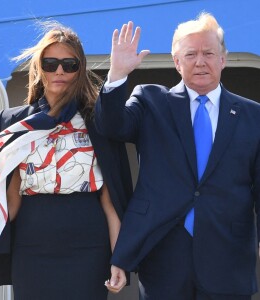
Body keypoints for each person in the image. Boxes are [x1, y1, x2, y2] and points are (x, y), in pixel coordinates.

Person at [0, 21, 133, 299]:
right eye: (50, 63)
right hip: (31, 248)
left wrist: (120, 258)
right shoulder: (17, 124)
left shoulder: (97, 123)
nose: (60, 71)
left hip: (88, 248)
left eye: (69, 64)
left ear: (80, 69)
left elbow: (109, 202)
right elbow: (11, 202)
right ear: (39, 67)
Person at [95, 13, 260, 300]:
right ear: (176, 62)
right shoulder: (150, 101)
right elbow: (112, 126)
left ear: (223, 59)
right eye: (191, 54)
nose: (200, 61)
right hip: (164, 255)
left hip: (228, 256)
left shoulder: (253, 115)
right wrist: (117, 76)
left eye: (209, 53)